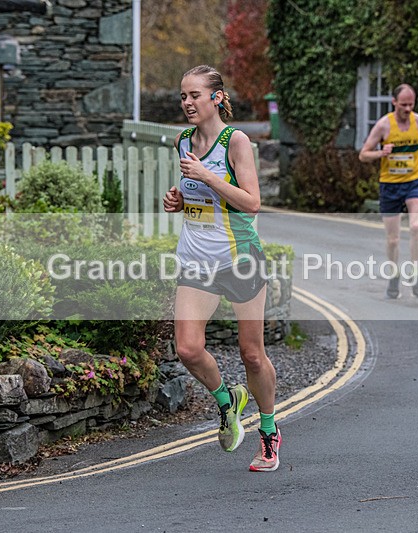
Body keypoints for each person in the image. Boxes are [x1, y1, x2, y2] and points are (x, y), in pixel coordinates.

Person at [163, 65, 280, 472]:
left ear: (216, 98)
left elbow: (251, 202)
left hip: (239, 258)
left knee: (251, 354)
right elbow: (198, 198)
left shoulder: (237, 142)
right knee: (188, 349)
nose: (187, 103)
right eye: (183, 96)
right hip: (196, 259)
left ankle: (269, 432)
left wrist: (208, 177)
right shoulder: (183, 141)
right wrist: (179, 199)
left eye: (195, 95)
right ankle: (228, 402)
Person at [359, 84, 418, 299]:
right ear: (394, 103)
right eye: (403, 105)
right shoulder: (384, 125)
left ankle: (415, 273)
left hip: (414, 182)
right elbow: (364, 154)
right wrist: (381, 153)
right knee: (393, 239)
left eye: (411, 104)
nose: (408, 109)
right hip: (390, 185)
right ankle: (394, 275)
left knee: (416, 225)